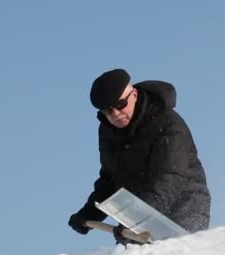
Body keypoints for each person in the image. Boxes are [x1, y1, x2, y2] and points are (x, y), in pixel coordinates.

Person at [68, 68, 211, 245]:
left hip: (183, 209)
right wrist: (88, 213)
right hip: (138, 214)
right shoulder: (107, 131)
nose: (115, 114)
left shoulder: (168, 124)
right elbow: (110, 180)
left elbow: (169, 180)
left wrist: (137, 218)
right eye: (107, 110)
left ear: (133, 95)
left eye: (120, 105)